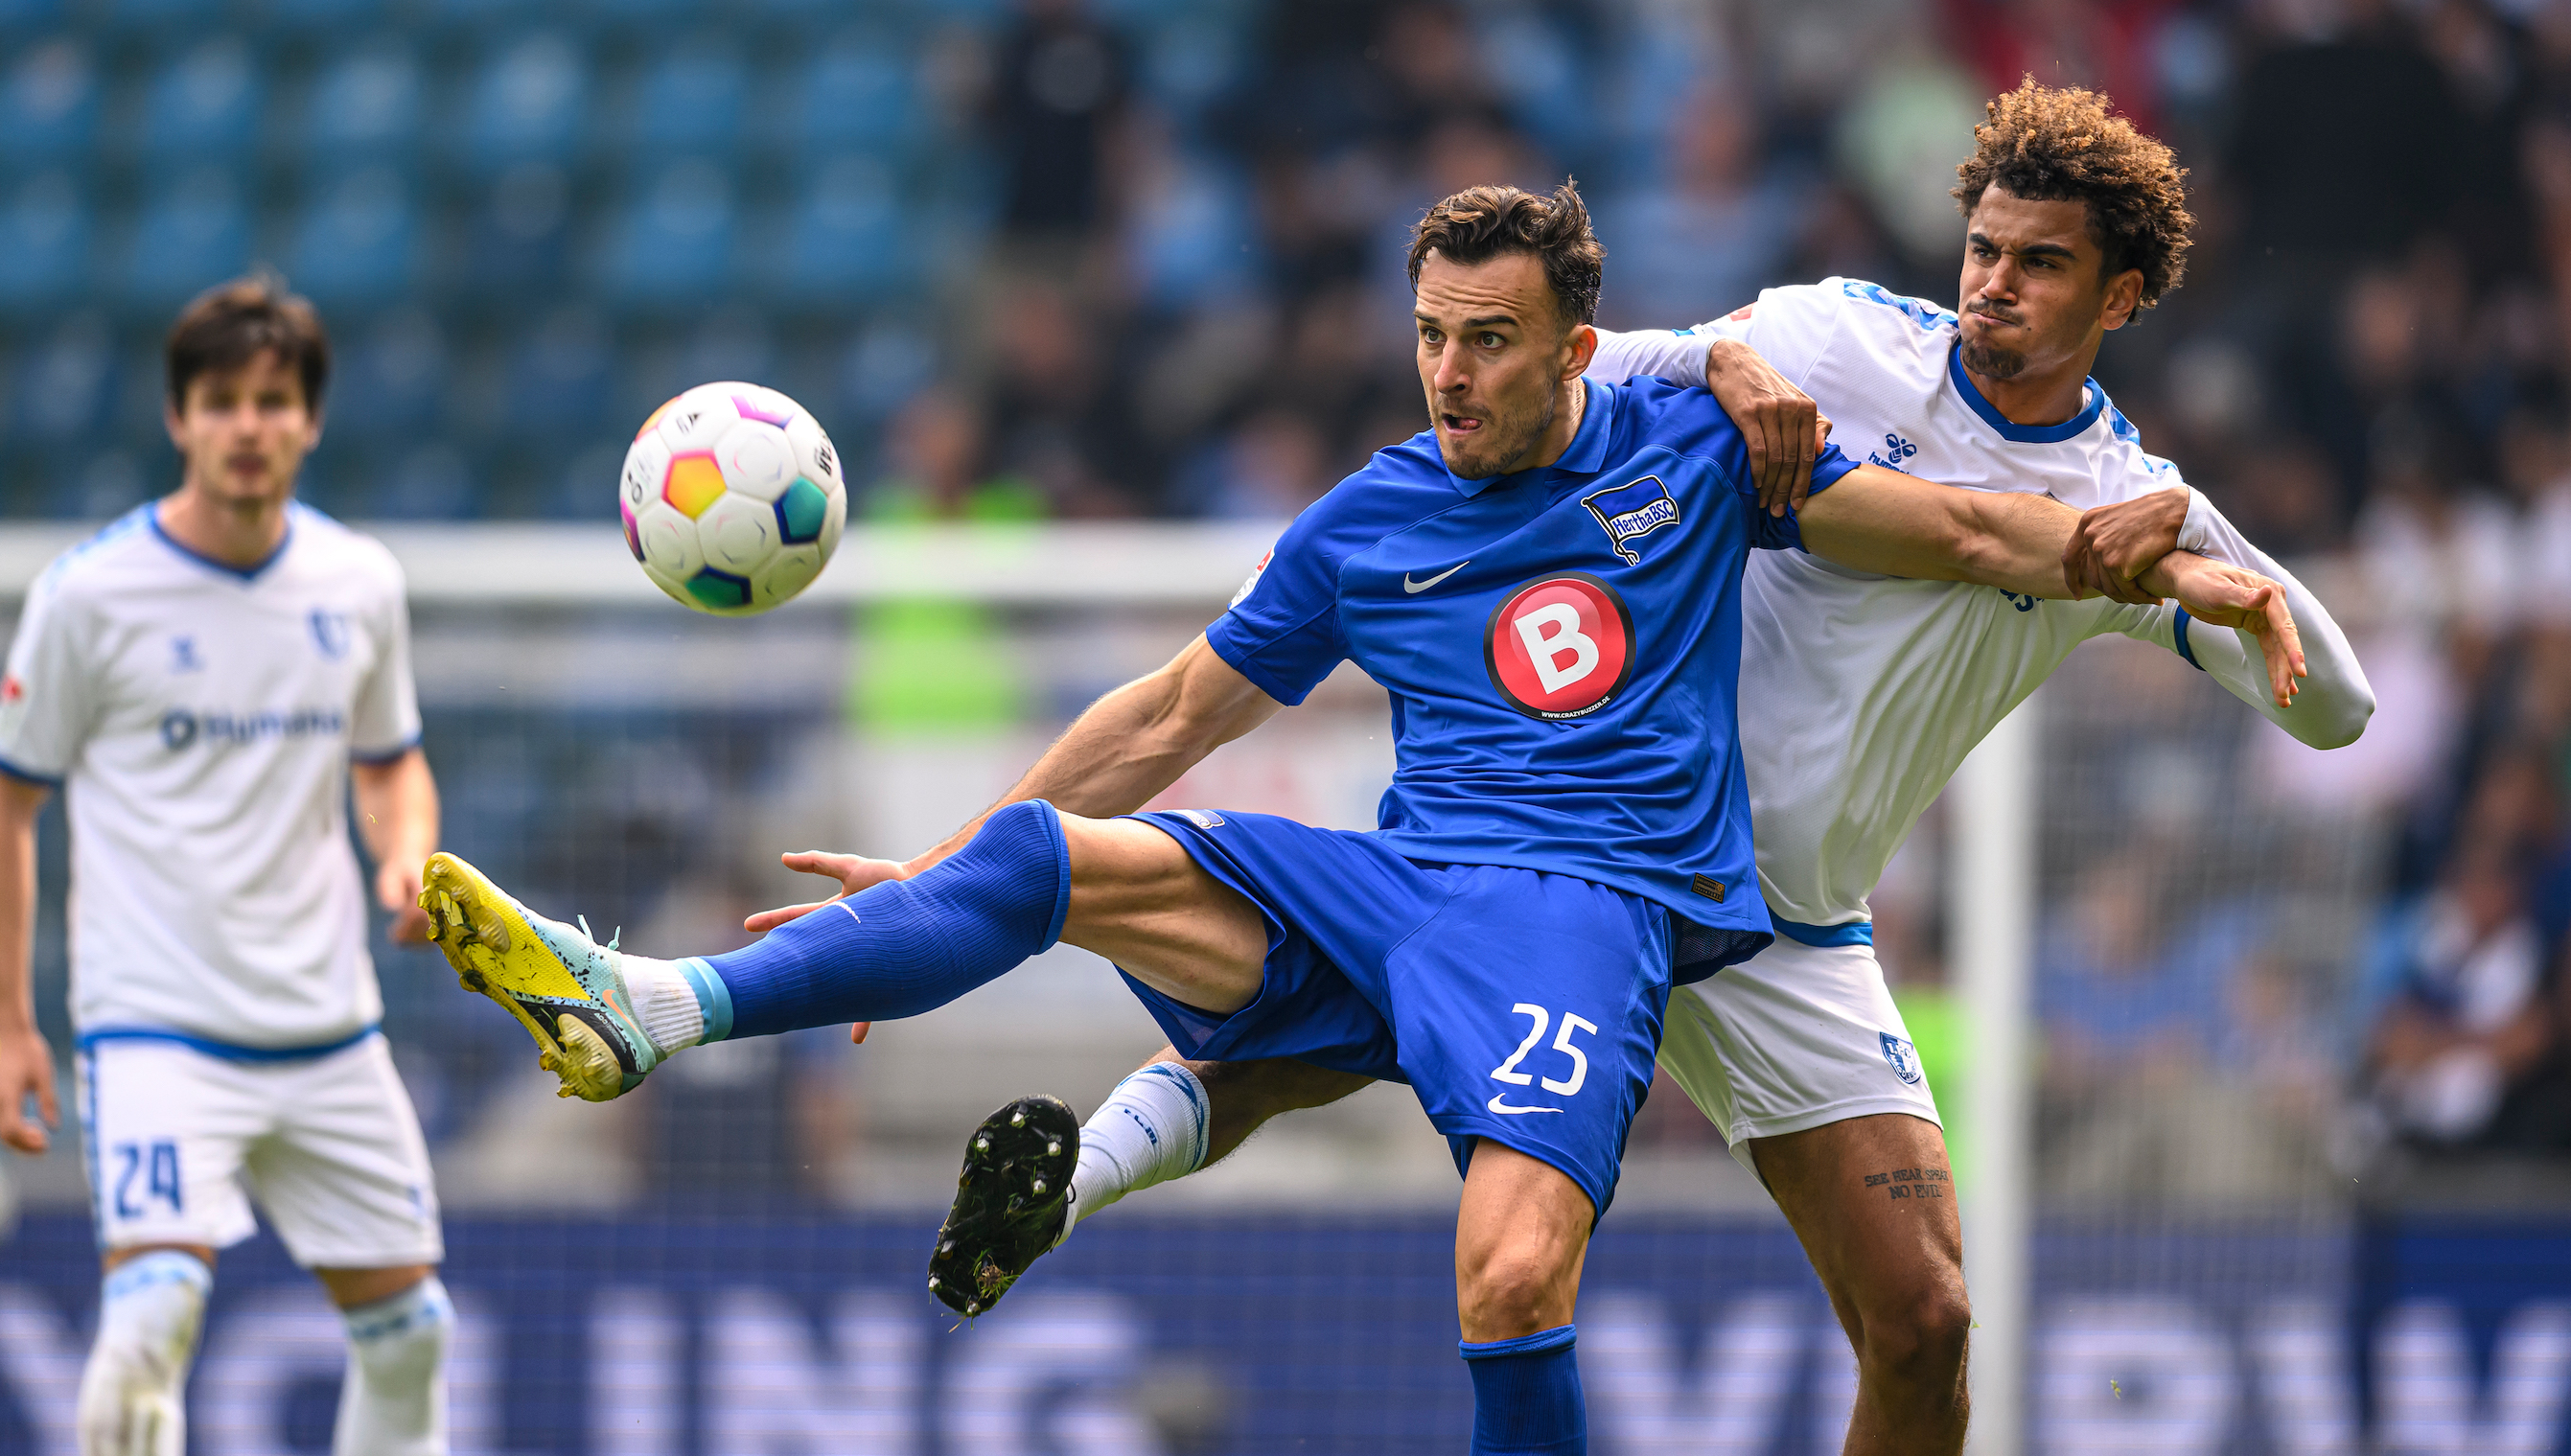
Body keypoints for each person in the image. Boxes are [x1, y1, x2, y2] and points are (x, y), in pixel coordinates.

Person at [420, 181, 2296, 1456]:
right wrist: (929, 886)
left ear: (1585, 346)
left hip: (1589, 909)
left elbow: (1957, 529)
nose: (1451, 374)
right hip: (1398, 885)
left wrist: (2143, 559)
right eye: (1430, 336)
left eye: (1490, 339)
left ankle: (1088, 1165)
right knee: (1041, 858)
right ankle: (647, 1007)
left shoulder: (1703, 446)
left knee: (1509, 1267)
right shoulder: (1371, 517)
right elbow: (1172, 710)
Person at [898, 81, 2376, 1456]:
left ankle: (1080, 1171)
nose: (1994, 283)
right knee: (1319, 1033)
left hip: (1790, 928)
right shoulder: (1846, 331)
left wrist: (2197, 544)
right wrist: (1733, 353)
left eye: (2041, 264)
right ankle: (1074, 1174)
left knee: (1925, 1324)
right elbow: (1617, 355)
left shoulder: (2126, 506)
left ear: (2120, 295)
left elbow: (2341, 708)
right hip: (1604, 838)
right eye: (1983, 247)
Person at [0, 279, 453, 1456]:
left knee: (412, 1334)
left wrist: (403, 858)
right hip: (158, 1028)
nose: (250, 425)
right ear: (178, 419)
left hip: (326, 1031)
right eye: (223, 401)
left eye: (274, 401)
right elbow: (4, 801)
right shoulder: (90, 596)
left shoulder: (360, 584)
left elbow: (392, 762)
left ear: (311, 421)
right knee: (153, 1316)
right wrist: (11, 1023)